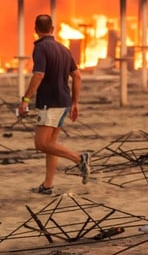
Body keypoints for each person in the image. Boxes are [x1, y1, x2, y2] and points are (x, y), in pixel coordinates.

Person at [18, 14, 91, 194]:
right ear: (53, 29)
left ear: (35, 29)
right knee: (51, 144)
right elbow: (77, 76)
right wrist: (75, 102)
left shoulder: (41, 48)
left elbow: (39, 75)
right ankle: (47, 185)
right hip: (64, 101)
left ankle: (79, 159)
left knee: (41, 144)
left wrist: (25, 99)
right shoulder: (64, 49)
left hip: (50, 103)